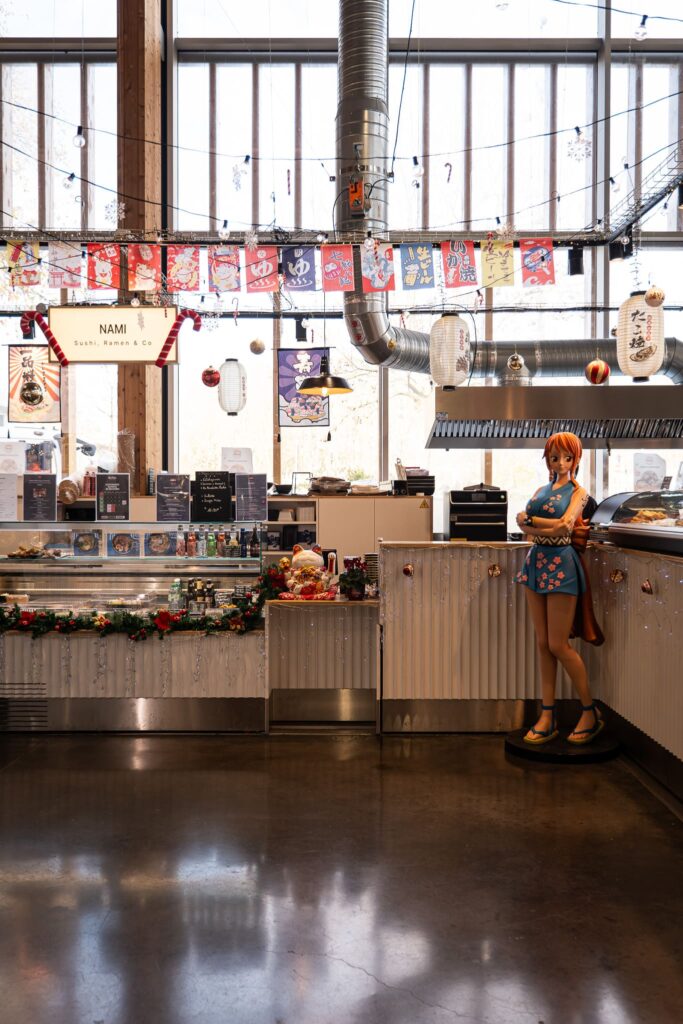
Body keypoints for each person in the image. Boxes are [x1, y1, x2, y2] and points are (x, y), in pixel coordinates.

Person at [514, 432, 604, 746]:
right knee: (542, 644)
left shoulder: (579, 492)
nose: (561, 462)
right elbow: (521, 526)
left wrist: (531, 520)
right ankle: (547, 714)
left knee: (558, 644)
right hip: (535, 561)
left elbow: (566, 525)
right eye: (555, 457)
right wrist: (533, 524)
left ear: (575, 459)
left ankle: (589, 712)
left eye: (567, 457)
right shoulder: (541, 489)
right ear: (548, 459)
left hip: (562, 565)